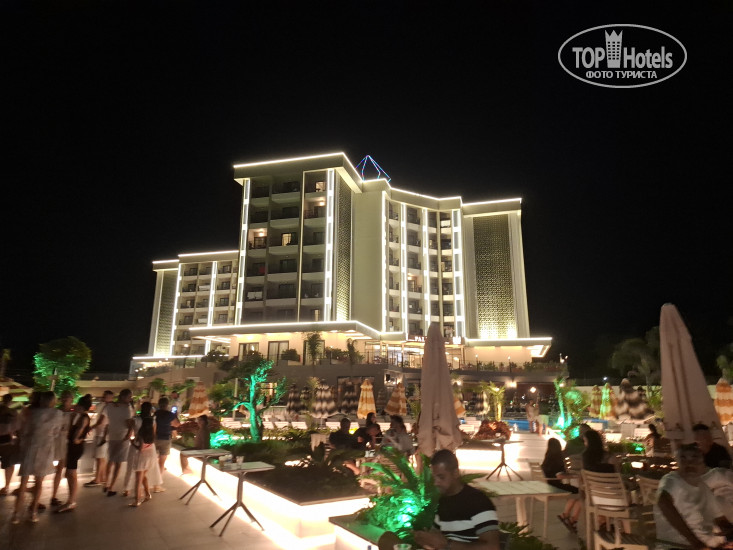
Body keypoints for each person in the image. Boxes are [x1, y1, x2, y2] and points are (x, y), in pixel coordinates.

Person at [413, 449, 500, 549]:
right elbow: (437, 538)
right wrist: (424, 539)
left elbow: (493, 547)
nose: (436, 483)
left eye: (441, 477)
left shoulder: (478, 502)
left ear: (455, 473)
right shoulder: (442, 501)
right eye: (434, 478)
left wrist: (447, 544)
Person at [655, 443, 733, 549]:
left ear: (701, 462)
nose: (689, 462)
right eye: (683, 458)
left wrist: (729, 533)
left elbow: (719, 518)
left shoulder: (702, 486)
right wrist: (696, 543)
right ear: (677, 461)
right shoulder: (672, 480)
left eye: (694, 457)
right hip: (680, 545)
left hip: (710, 544)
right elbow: (663, 503)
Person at [13, 391, 62, 523]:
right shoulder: (57, 414)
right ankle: (33, 512)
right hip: (46, 448)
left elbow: (23, 431)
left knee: (23, 482)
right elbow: (56, 432)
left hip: (31, 447)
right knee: (39, 482)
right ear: (53, 401)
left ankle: (16, 514)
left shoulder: (31, 413)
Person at [57, 394, 92, 513]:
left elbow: (77, 435)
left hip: (75, 447)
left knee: (71, 473)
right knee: (70, 473)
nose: (75, 406)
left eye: (77, 405)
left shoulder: (83, 418)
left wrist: (77, 439)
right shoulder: (80, 416)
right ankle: (71, 500)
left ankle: (71, 501)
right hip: (74, 447)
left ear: (81, 407)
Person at [541, 438, 582, 532]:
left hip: (548, 486)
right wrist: (573, 476)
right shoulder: (557, 459)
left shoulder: (547, 458)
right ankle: (572, 519)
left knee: (576, 492)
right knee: (580, 493)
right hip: (555, 487)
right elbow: (560, 476)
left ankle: (566, 515)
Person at [104, 388, 134, 495]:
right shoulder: (127, 409)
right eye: (129, 397)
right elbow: (129, 424)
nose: (130, 399)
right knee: (118, 463)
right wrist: (129, 434)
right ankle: (111, 487)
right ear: (124, 397)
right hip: (122, 437)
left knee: (111, 460)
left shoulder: (110, 406)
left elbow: (108, 419)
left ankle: (106, 483)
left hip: (112, 435)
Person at [85, 390, 114, 488]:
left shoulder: (107, 408)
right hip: (103, 434)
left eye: (105, 396)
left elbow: (100, 421)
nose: (103, 397)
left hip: (102, 435)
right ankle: (102, 477)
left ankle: (97, 479)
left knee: (99, 458)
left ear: (110, 398)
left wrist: (91, 427)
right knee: (102, 457)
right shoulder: (109, 407)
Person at [50, 389, 74, 507]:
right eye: (64, 397)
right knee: (60, 467)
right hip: (58, 440)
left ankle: (56, 495)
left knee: (64, 468)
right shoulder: (57, 411)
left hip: (66, 441)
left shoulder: (72, 412)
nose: (65, 400)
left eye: (67, 398)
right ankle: (54, 495)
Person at [153, 396, 180, 492]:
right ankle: (157, 485)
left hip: (155, 438)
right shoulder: (170, 415)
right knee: (161, 462)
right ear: (167, 405)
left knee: (153, 461)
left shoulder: (156, 413)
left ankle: (150, 482)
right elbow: (177, 424)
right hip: (165, 439)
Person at [0, 393, 19, 496]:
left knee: (8, 463)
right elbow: (16, 426)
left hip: (6, 438)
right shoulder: (13, 412)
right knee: (8, 464)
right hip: (7, 439)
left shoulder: (11, 411)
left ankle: (6, 486)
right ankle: (6, 486)